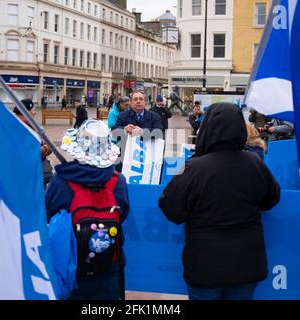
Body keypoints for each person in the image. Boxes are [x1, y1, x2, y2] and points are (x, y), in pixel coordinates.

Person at [158, 103, 280, 301]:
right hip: (246, 262)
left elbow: (171, 208)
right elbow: (271, 198)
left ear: (206, 128)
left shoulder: (192, 167)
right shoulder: (254, 162)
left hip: (205, 263)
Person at [45, 119, 130, 300]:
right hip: (109, 264)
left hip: (71, 264)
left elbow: (48, 214)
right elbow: (123, 213)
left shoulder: (60, 181)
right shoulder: (118, 181)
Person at [13, 100, 52, 187]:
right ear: (24, 113)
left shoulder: (36, 127)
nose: (35, 113)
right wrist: (39, 151)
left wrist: (44, 149)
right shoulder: (13, 129)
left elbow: (49, 144)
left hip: (39, 174)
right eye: (32, 111)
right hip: (23, 176)